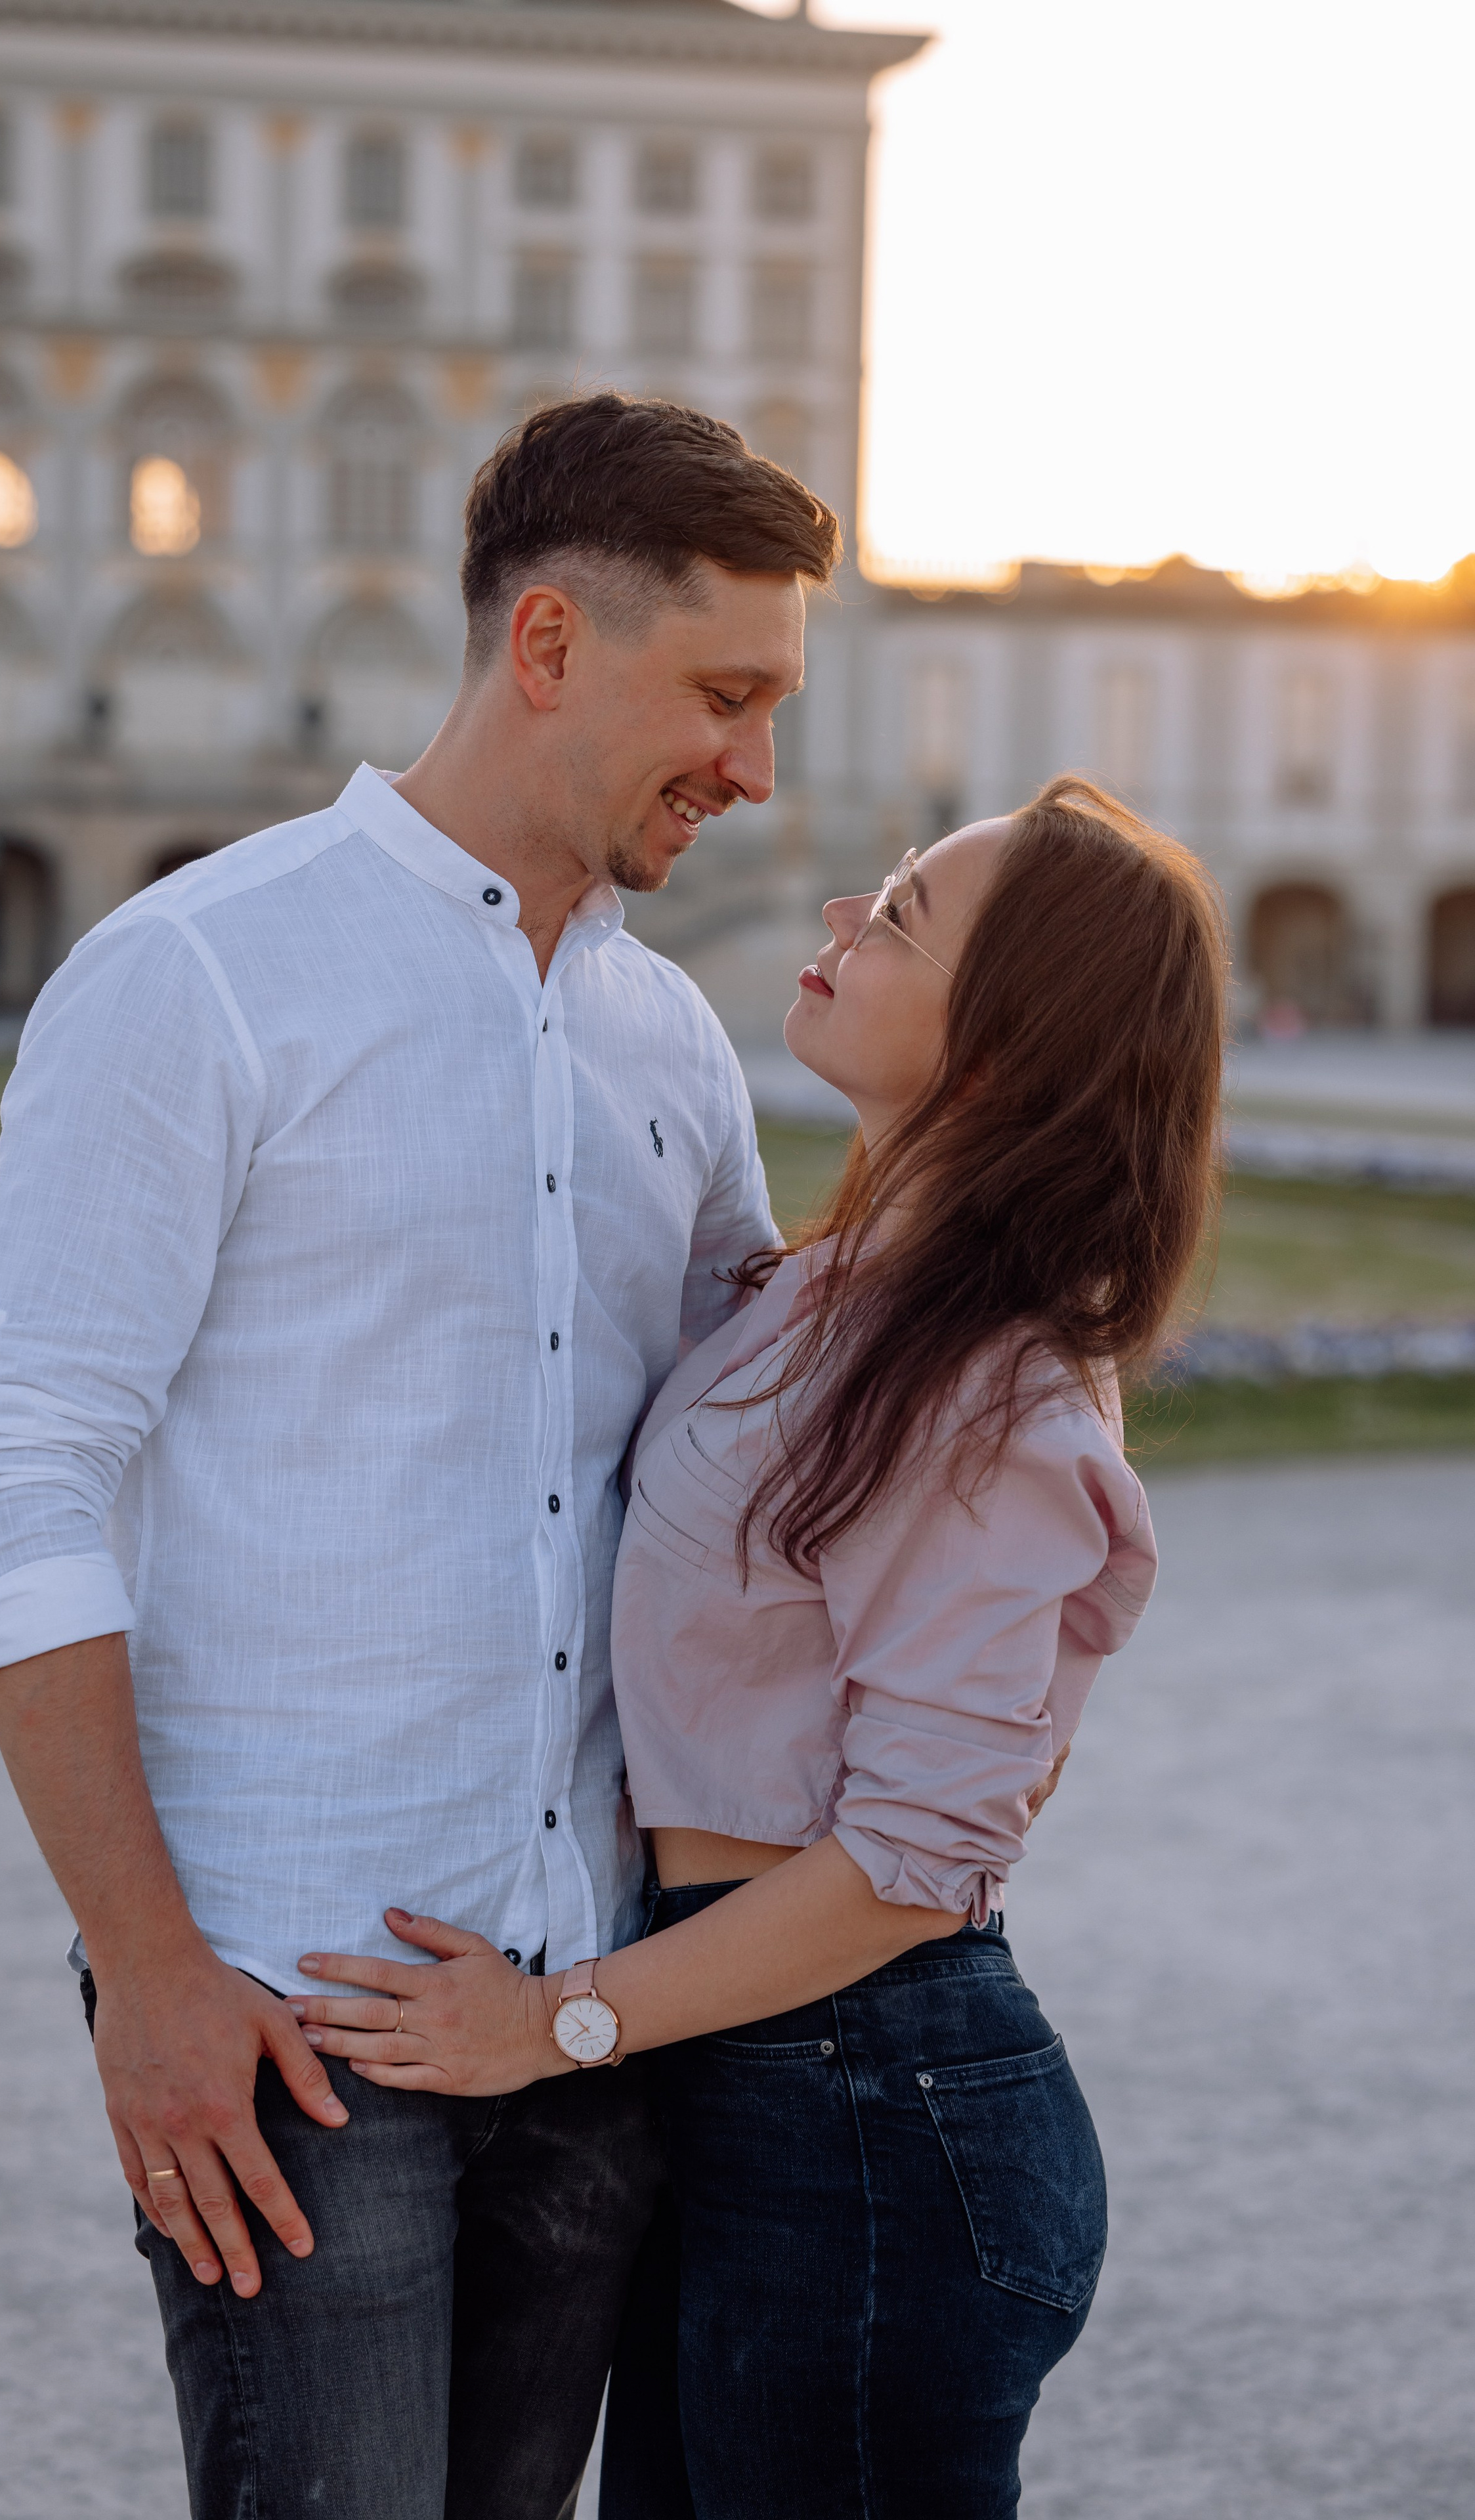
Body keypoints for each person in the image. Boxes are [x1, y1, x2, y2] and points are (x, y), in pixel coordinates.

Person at [0, 393, 842, 2520]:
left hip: (586, 2003)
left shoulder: (668, 1037)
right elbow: (8, 1474)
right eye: (726, 695)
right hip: (287, 2020)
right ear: (544, 645)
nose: (756, 769)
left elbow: (758, 1430)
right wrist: (149, 1974)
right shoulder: (197, 976)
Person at [283, 777, 1229, 2518]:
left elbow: (921, 1858)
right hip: (759, 2082)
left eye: (896, 921)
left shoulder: (995, 1386)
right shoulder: (829, 1292)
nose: (834, 929)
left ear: (1011, 1044)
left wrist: (550, 2025)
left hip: (870, 2108)